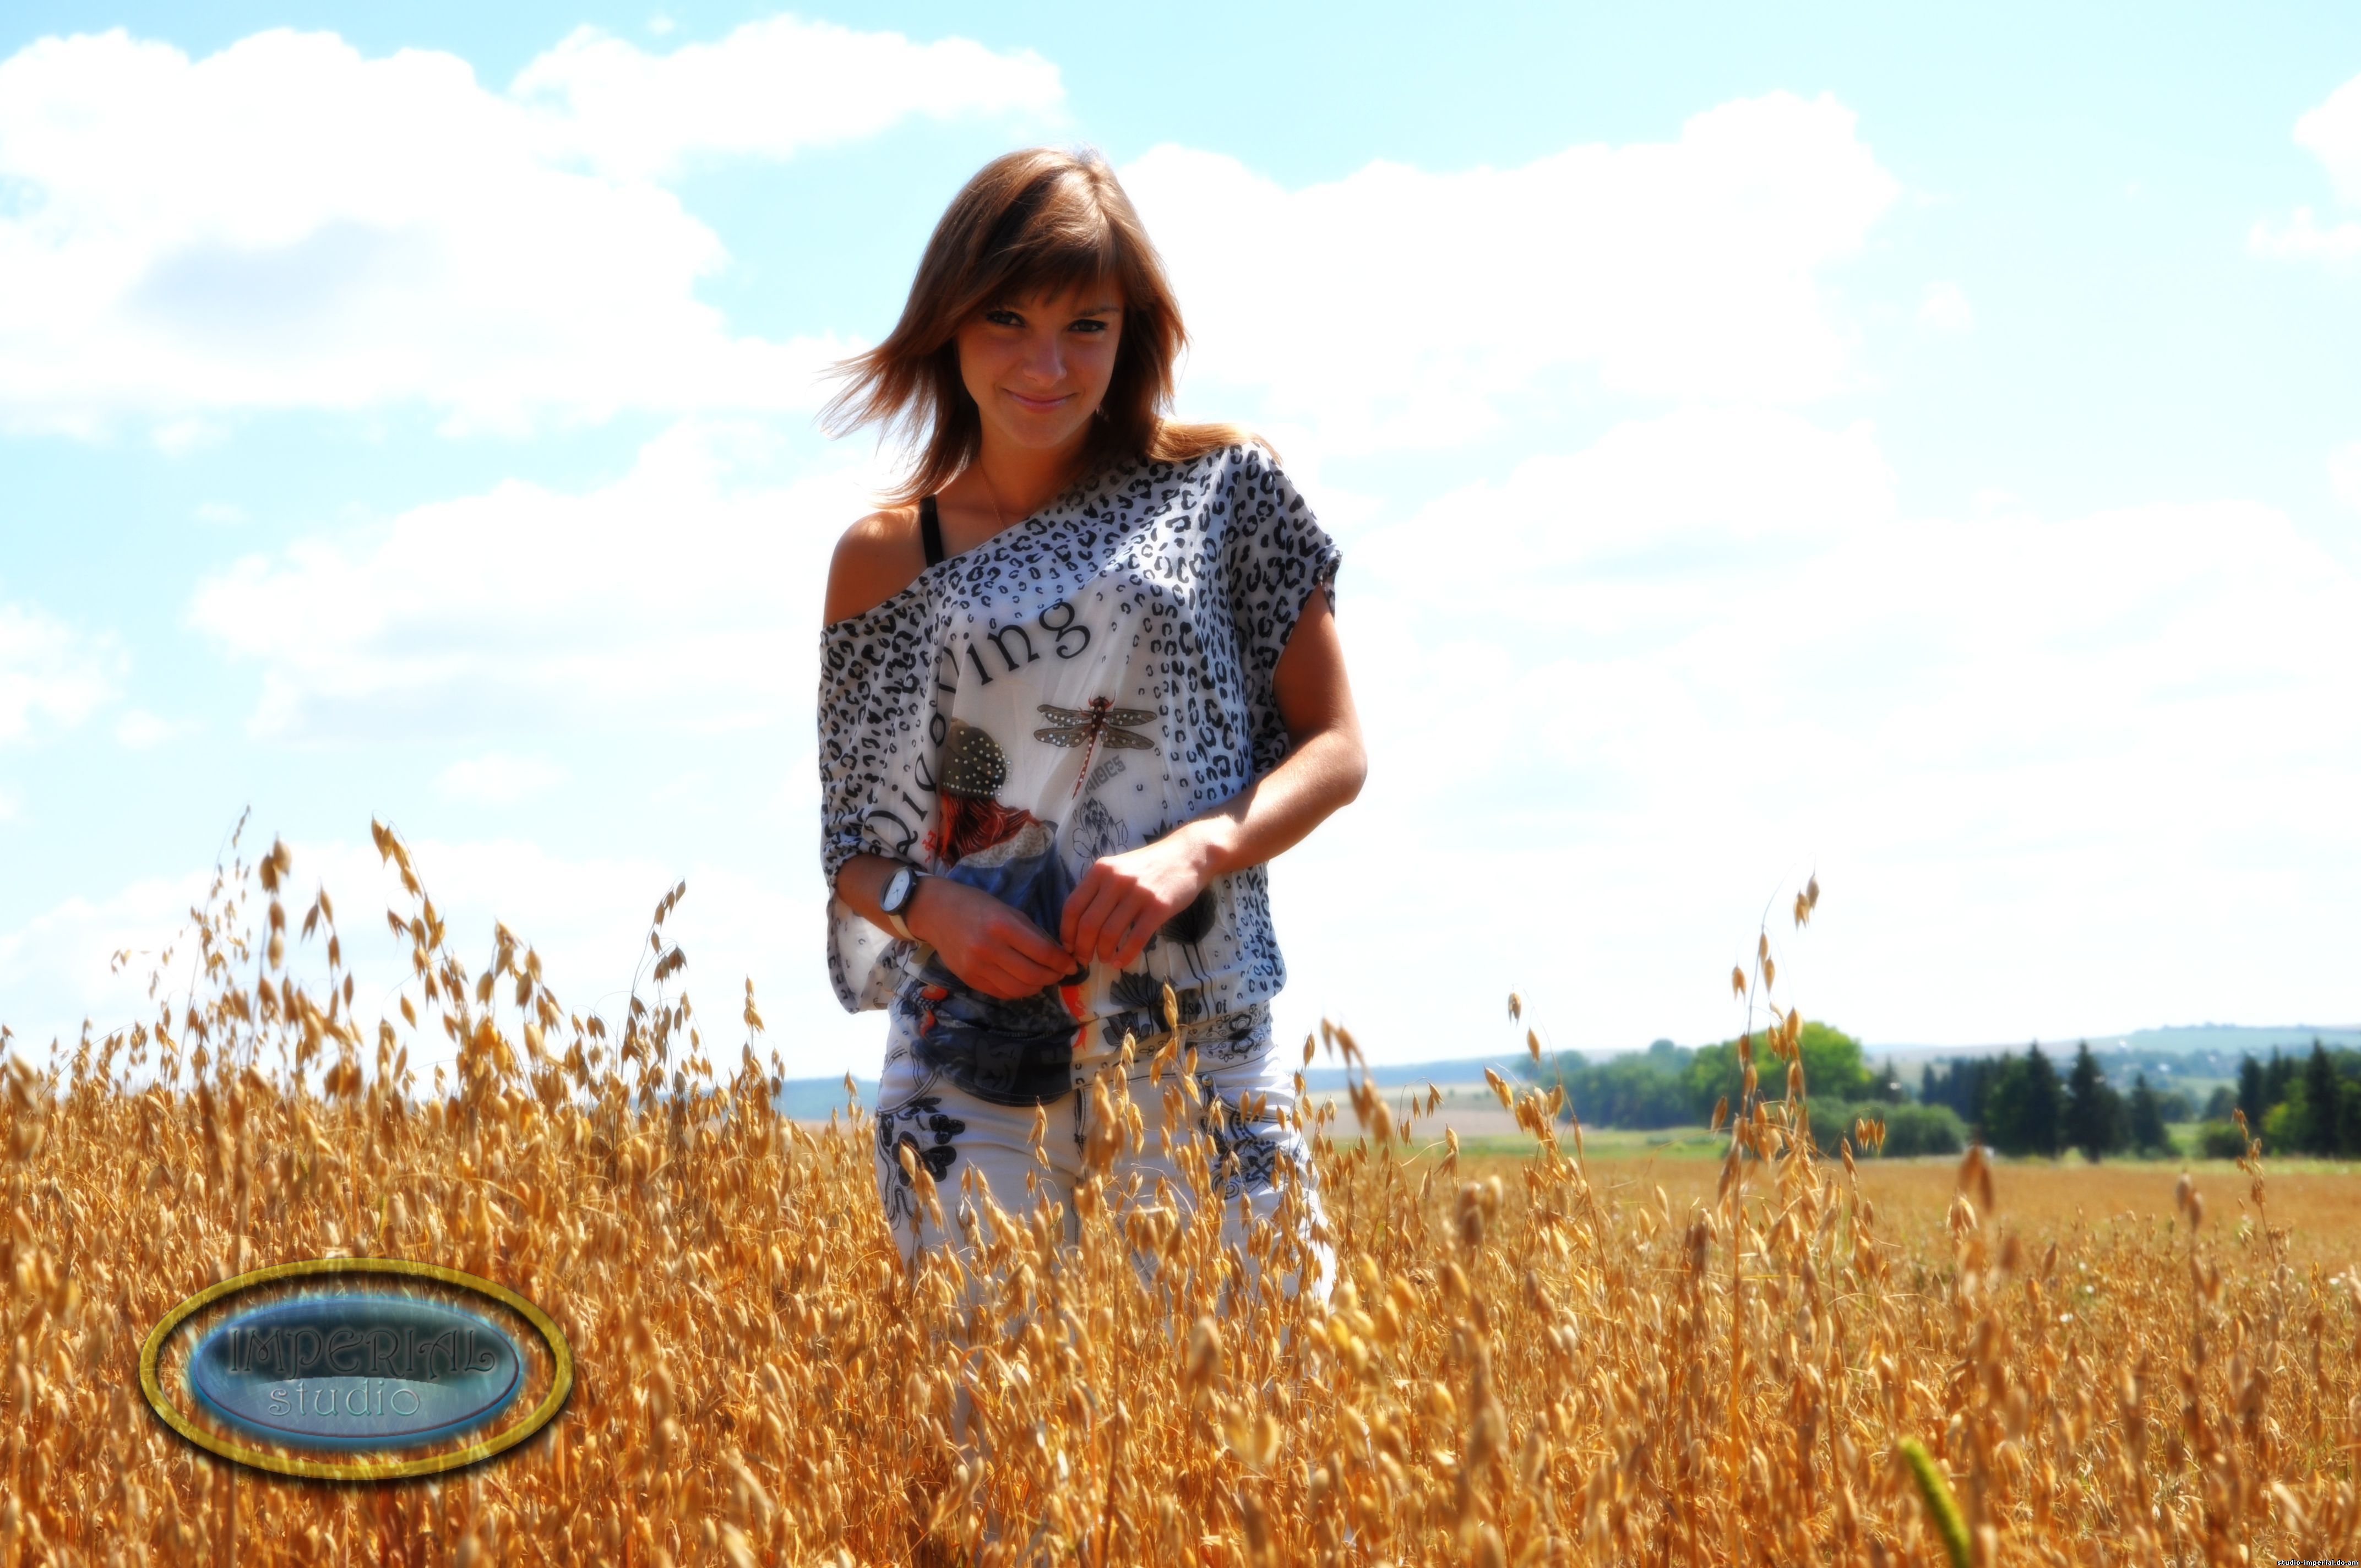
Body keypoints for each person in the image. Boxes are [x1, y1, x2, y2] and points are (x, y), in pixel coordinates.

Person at [816, 146, 1364, 1306]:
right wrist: (934, 908)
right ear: (949, 325)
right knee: (991, 1416)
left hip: (1199, 1030)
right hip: (967, 1058)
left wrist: (1196, 848)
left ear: (1132, 333)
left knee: (1278, 1392)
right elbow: (855, 848)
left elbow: (1335, 747)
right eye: (1007, 319)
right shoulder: (884, 557)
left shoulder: (1225, 491)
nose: (1047, 364)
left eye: (1086, 325)